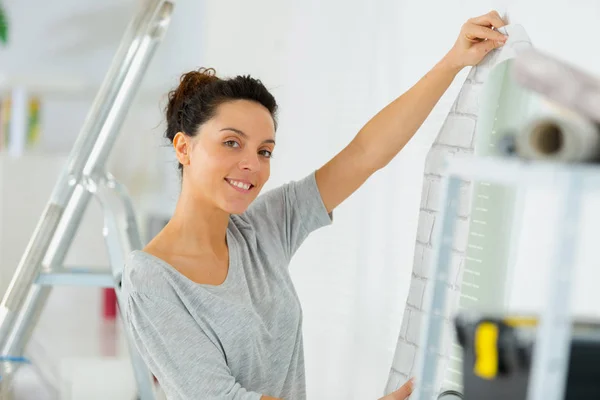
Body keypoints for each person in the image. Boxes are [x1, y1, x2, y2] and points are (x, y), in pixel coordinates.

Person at [122, 10, 508, 400]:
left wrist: (453, 61)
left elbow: (363, 154)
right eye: (231, 142)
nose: (251, 165)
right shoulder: (152, 279)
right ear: (184, 147)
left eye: (265, 151)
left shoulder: (263, 229)